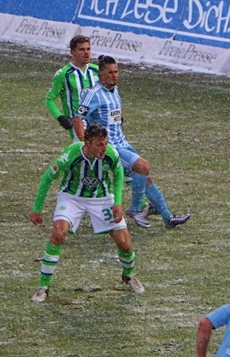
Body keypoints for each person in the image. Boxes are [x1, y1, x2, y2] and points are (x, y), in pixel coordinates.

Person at [28, 124, 144, 303]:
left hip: (102, 198)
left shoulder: (110, 154)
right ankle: (43, 287)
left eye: (105, 143)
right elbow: (47, 178)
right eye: (99, 144)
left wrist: (118, 203)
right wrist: (37, 209)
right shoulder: (71, 154)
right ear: (87, 143)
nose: (104, 148)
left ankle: (128, 275)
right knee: (58, 234)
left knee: (125, 244)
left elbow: (119, 173)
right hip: (72, 197)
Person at [74, 55, 190, 229]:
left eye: (116, 72)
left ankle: (168, 218)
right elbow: (78, 118)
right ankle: (135, 209)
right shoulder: (93, 94)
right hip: (110, 147)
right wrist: (86, 143)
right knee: (143, 166)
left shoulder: (115, 90)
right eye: (110, 72)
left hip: (122, 141)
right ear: (101, 74)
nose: (114, 75)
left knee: (144, 178)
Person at [45, 35, 98, 141]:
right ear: (72, 52)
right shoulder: (63, 74)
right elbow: (50, 99)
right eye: (82, 49)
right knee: (86, 152)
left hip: (98, 121)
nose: (86, 52)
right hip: (78, 124)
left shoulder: (97, 70)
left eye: (88, 49)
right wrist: (60, 117)